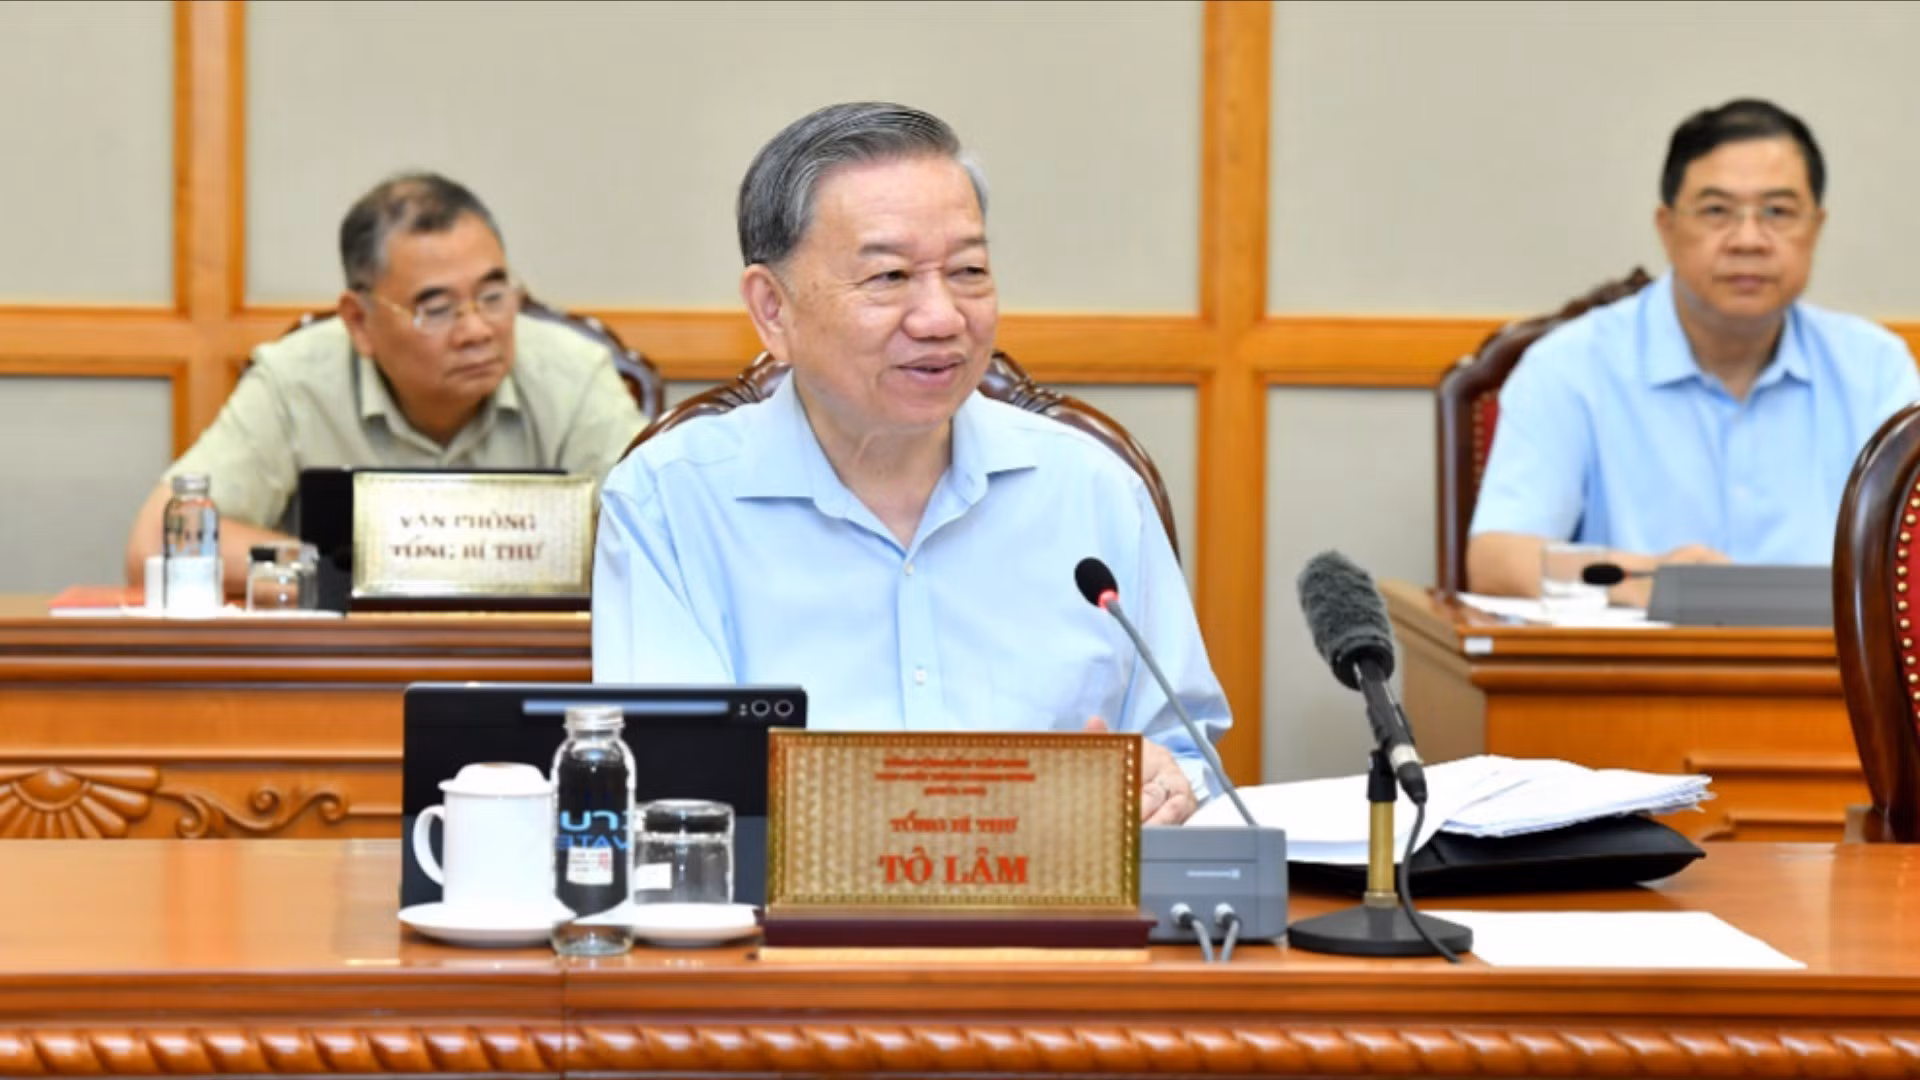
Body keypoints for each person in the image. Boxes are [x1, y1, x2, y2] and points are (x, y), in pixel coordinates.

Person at [592, 102, 1228, 824]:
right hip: (785, 898)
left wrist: (1165, 785)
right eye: (890, 276)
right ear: (772, 309)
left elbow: (1186, 750)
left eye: (969, 270)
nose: (942, 318)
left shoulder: (1092, 488)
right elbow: (672, 788)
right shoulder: (670, 502)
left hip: (1061, 896)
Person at [1468, 99, 1920, 603]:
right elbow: (1497, 561)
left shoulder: (1874, 369)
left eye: (1777, 212)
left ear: (1816, 227)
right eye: (1716, 211)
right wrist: (1647, 580)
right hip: (1638, 651)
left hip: (1826, 655)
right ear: (1667, 227)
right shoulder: (1571, 366)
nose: (1748, 240)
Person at [123, 172, 647, 594]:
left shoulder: (574, 375)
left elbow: (660, 541)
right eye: (436, 309)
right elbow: (157, 542)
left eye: (493, 296)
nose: (476, 330)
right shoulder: (297, 380)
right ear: (359, 322)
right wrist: (355, 568)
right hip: (345, 669)